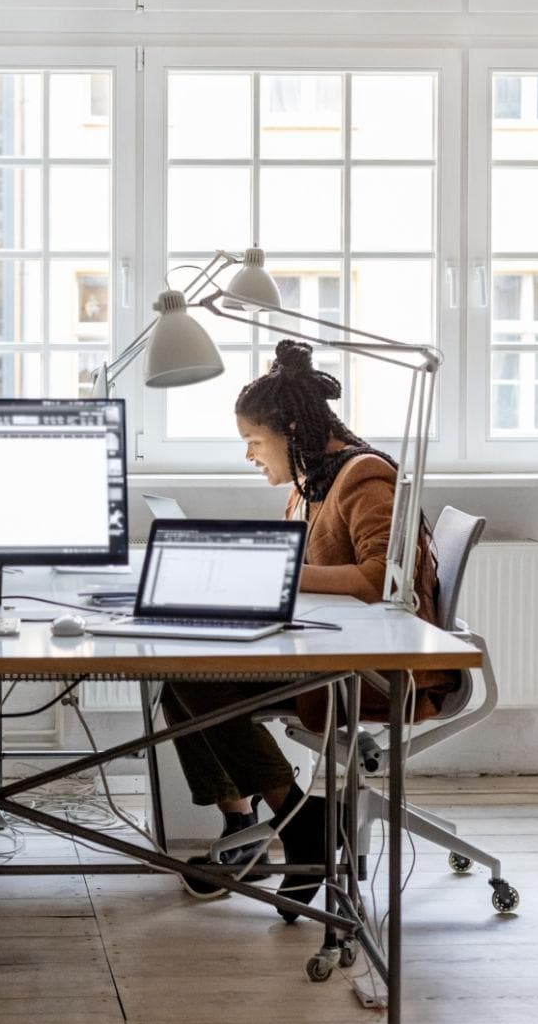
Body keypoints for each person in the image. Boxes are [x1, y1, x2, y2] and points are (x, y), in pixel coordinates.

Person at [162, 339, 447, 917]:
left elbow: (381, 580)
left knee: (196, 679)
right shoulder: (312, 482)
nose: (249, 455)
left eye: (253, 441)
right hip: (328, 646)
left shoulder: (364, 477)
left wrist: (275, 574)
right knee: (178, 679)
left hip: (375, 667)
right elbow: (310, 571)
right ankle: (245, 822)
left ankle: (299, 821)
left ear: (290, 431)